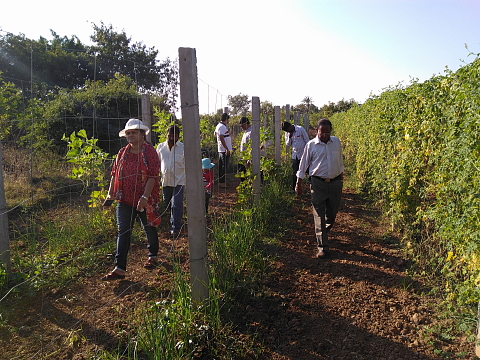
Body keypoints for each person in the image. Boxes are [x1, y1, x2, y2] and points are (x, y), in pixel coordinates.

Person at [102, 119, 161, 281]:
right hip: (124, 199)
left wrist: (144, 197)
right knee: (123, 231)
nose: (130, 135)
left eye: (133, 132)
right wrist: (110, 194)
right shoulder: (122, 152)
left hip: (145, 200)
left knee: (148, 227)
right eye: (128, 133)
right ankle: (119, 268)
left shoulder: (150, 152)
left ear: (142, 134)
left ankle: (153, 255)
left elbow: (152, 176)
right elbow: (115, 174)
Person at [295, 118, 344, 259]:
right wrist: (298, 183)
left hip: (335, 183)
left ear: (331, 132)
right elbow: (303, 164)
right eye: (322, 133)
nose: (324, 136)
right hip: (318, 184)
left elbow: (340, 160)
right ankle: (322, 246)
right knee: (319, 214)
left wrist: (341, 176)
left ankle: (322, 232)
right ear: (317, 131)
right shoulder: (311, 145)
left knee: (332, 214)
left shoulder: (336, 142)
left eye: (327, 133)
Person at [156, 125, 186, 237]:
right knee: (167, 203)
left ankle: (175, 227)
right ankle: (169, 220)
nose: (172, 138)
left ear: (178, 136)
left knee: (176, 203)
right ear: (166, 135)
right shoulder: (160, 147)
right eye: (170, 136)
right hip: (166, 181)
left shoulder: (183, 148)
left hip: (179, 181)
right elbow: (157, 163)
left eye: (175, 136)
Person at [282, 121, 310, 192]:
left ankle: (313, 187)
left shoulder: (300, 129)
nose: (288, 131)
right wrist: (289, 137)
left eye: (288, 130)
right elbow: (287, 144)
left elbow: (307, 140)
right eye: (287, 131)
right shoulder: (287, 133)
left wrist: (308, 152)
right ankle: (294, 189)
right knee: (295, 172)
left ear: (290, 126)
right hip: (295, 155)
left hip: (303, 154)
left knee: (308, 171)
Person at [214, 113, 232, 187]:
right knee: (224, 166)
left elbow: (215, 134)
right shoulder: (222, 127)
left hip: (221, 148)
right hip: (224, 149)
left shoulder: (219, 126)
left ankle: (222, 182)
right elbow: (221, 137)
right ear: (226, 119)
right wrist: (226, 149)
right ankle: (222, 183)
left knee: (222, 165)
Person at [238, 116, 252, 181]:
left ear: (246, 123)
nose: (241, 127)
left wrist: (249, 160)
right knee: (241, 173)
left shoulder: (251, 132)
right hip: (244, 157)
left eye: (242, 126)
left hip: (248, 158)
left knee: (244, 173)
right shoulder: (246, 131)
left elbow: (251, 147)